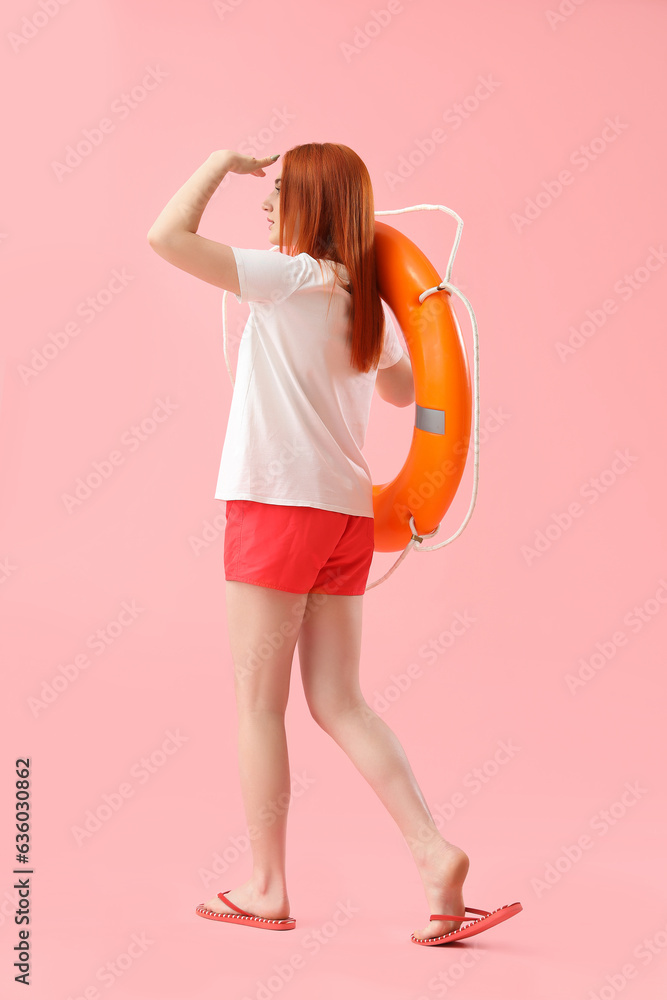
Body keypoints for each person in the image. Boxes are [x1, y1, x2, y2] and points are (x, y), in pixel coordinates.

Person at [147, 143, 495, 945]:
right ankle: (433, 854)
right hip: (343, 517)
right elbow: (404, 386)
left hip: (275, 505)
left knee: (256, 707)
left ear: (310, 206)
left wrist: (216, 162)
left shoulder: (292, 275)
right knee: (339, 701)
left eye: (276, 195)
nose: (263, 207)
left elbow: (166, 237)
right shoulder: (362, 299)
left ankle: (266, 886)